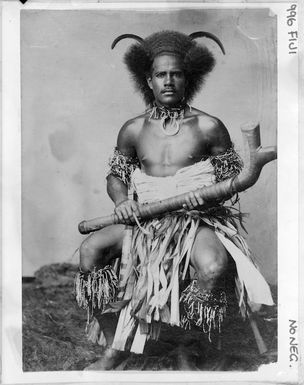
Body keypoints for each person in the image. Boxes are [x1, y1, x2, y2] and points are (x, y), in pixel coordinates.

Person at [75, 30, 274, 370]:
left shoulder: (210, 126)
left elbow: (232, 181)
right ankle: (116, 344)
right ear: (148, 80)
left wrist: (207, 199)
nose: (168, 81)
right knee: (91, 251)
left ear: (187, 79)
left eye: (176, 74)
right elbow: (116, 177)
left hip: (196, 219)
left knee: (212, 266)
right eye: (160, 75)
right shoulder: (133, 129)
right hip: (144, 217)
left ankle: (186, 346)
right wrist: (122, 201)